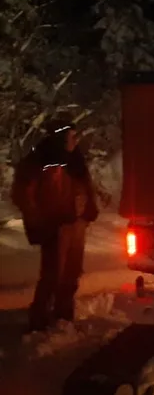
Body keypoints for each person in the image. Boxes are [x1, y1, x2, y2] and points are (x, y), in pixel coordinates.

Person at [10, 120, 99, 333]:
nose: (75, 141)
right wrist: (40, 220)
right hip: (55, 226)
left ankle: (63, 315)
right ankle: (39, 321)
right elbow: (22, 194)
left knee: (72, 271)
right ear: (60, 136)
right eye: (71, 136)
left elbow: (85, 185)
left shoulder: (75, 160)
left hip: (76, 225)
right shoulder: (40, 159)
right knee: (52, 274)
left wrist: (89, 209)